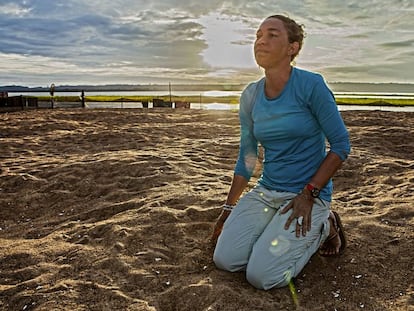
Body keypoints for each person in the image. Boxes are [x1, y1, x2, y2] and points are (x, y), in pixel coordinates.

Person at [211, 14, 351, 290]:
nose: (261, 41)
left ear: (293, 47)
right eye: (258, 35)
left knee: (262, 277)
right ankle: (273, 227)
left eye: (272, 35)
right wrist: (229, 207)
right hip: (267, 191)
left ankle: (326, 225)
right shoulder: (250, 96)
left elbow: (341, 146)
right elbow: (247, 156)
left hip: (308, 194)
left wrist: (309, 193)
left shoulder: (311, 86)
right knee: (226, 260)